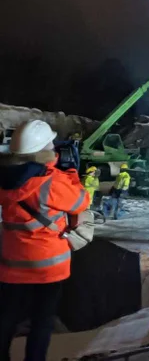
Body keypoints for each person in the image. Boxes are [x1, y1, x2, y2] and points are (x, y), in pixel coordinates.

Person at [0, 119, 90, 361]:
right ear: (42, 150)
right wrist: (71, 172)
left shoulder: (5, 177)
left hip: (11, 265)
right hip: (47, 268)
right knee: (42, 322)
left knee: (6, 319)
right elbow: (81, 201)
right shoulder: (51, 182)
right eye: (50, 143)